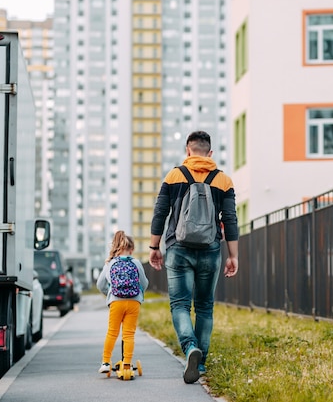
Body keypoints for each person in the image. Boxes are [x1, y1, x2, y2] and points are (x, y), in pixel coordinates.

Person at [149, 130, 239, 384]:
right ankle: (200, 365)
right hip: (210, 249)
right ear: (210, 153)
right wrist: (233, 255)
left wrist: (154, 247)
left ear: (188, 151)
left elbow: (160, 213)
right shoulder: (223, 180)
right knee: (204, 307)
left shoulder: (174, 175)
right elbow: (230, 220)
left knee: (180, 304)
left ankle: (190, 349)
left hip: (178, 248)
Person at [97, 231, 149, 375]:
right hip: (134, 302)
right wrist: (138, 294)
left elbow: (100, 284)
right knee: (129, 334)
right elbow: (144, 283)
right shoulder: (136, 263)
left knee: (112, 332)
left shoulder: (110, 263)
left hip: (116, 301)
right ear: (131, 249)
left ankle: (106, 362)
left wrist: (109, 295)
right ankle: (127, 364)